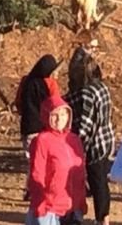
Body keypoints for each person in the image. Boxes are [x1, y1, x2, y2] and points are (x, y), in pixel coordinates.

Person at [65, 51, 113, 225]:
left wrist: (76, 148)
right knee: (101, 182)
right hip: (106, 140)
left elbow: (85, 126)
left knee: (97, 183)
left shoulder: (86, 93)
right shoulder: (101, 86)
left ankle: (102, 220)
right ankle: (104, 217)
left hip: (94, 145)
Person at [26, 94, 86, 225]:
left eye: (63, 114)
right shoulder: (41, 141)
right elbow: (37, 175)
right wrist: (40, 204)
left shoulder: (74, 140)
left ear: (69, 116)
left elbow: (81, 174)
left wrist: (81, 202)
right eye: (54, 115)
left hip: (73, 209)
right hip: (49, 209)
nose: (59, 119)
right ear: (46, 116)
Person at [17, 54, 61, 155]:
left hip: (28, 127)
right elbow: (56, 105)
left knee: (32, 162)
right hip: (45, 128)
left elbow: (19, 103)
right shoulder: (49, 83)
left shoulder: (25, 81)